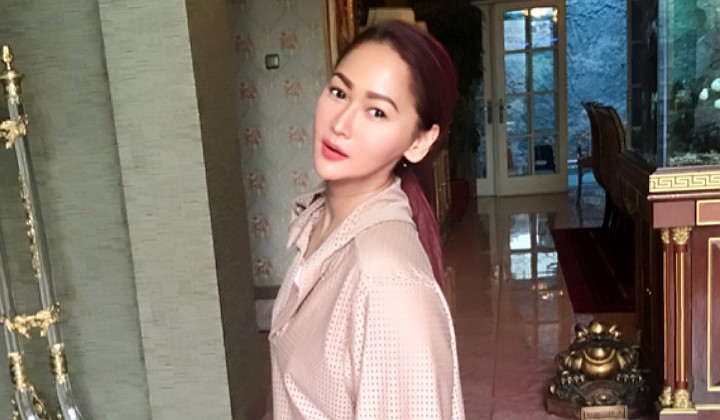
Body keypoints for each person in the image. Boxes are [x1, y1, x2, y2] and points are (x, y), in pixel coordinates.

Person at [269, 20, 464, 419]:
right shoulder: (320, 220)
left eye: (377, 112)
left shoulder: (387, 286)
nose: (340, 124)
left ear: (419, 141)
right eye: (339, 92)